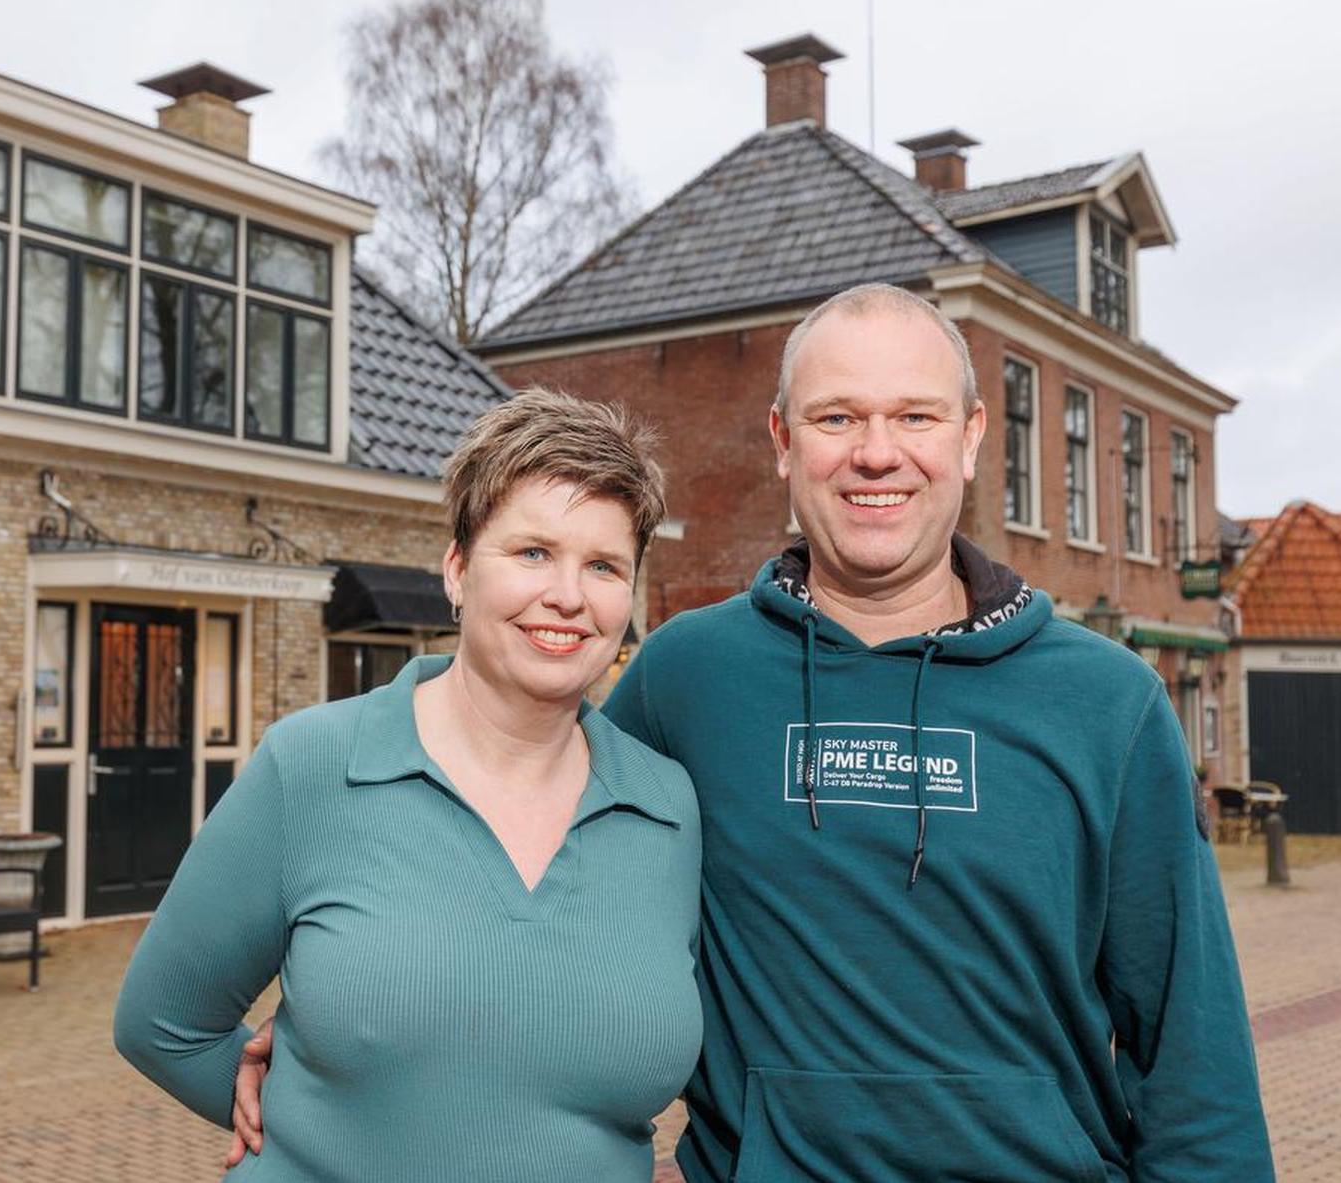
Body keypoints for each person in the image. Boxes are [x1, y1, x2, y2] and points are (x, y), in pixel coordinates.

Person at [233, 284, 1274, 1181]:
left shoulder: (1110, 703)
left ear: (968, 440)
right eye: (836, 417)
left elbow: (1194, 1055)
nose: (877, 452)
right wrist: (361, 990)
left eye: (914, 416)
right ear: (782, 440)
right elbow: (533, 835)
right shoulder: (690, 677)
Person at [114, 388, 702, 1181]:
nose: (567, 594)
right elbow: (162, 1023)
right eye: (532, 552)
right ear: (457, 569)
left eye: (602, 566)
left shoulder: (667, 807)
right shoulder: (313, 764)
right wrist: (293, 1117)